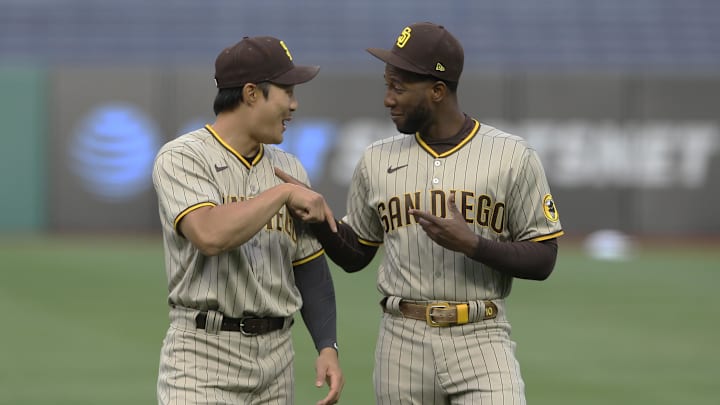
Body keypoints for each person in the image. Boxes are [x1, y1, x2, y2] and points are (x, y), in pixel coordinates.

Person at [277, 22, 563, 404]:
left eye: (399, 87)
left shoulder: (511, 155)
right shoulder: (377, 159)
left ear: (437, 91)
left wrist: (474, 244)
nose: (387, 99)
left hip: (481, 334)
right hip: (402, 339)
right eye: (387, 85)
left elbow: (544, 257)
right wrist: (321, 219)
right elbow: (357, 254)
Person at [152, 36, 344, 405]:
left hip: (277, 359)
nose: (294, 104)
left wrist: (327, 345)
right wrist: (282, 194)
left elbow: (308, 265)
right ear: (252, 93)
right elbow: (209, 234)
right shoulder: (183, 156)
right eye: (286, 91)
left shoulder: (289, 168)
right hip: (203, 355)